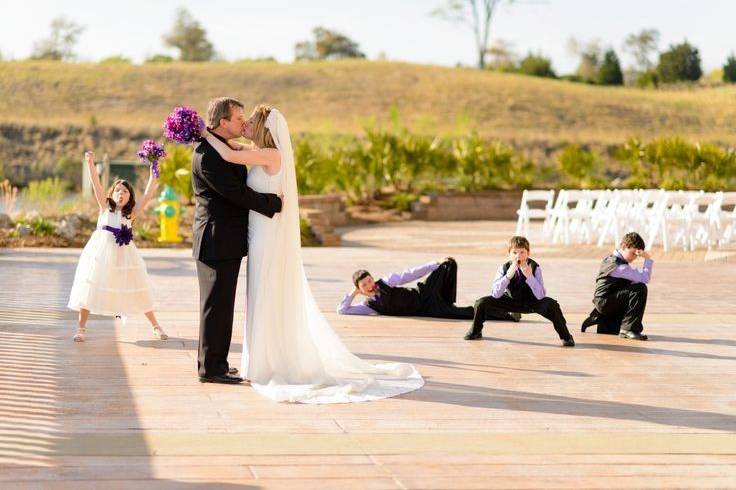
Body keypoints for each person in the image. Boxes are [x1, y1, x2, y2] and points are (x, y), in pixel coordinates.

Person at [203, 103, 423, 403]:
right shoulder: (260, 151)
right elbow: (232, 146)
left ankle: (270, 360)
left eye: (251, 121)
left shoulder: (270, 154)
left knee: (265, 292)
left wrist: (201, 131)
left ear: (265, 129)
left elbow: (229, 153)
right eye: (244, 119)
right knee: (260, 294)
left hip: (266, 236)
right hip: (258, 235)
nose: (246, 125)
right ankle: (262, 359)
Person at [192, 97, 282, 384]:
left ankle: (216, 362)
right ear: (223, 122)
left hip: (226, 240)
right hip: (215, 239)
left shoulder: (223, 147)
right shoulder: (208, 155)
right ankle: (211, 369)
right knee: (215, 305)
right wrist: (272, 203)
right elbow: (235, 193)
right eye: (239, 117)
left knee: (222, 304)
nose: (243, 122)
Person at [68, 151, 167, 342]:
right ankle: (81, 328)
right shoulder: (105, 207)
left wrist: (153, 170)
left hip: (124, 255)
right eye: (118, 190)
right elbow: (96, 184)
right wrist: (90, 162)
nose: (121, 193)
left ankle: (156, 326)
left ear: (130, 197)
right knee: (91, 284)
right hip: (101, 253)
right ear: (112, 194)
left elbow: (148, 194)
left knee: (138, 287)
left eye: (125, 191)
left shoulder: (131, 214)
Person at [465, 236, 575, 347]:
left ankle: (566, 336)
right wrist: (508, 276)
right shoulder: (503, 268)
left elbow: (541, 295)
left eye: (522, 252)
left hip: (531, 302)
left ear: (528, 253)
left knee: (552, 305)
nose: (518, 256)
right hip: (510, 301)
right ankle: (476, 331)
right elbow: (495, 294)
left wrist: (530, 276)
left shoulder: (535, 267)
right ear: (509, 254)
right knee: (481, 303)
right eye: (515, 252)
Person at [338, 258, 517, 322]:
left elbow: (410, 274)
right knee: (462, 313)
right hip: (426, 308)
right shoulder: (369, 306)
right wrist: (353, 293)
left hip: (423, 292)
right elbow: (343, 310)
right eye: (364, 285)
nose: (369, 285)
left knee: (447, 265)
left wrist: (434, 264)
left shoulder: (386, 281)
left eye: (369, 280)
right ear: (360, 289)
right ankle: (507, 314)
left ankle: (447, 297)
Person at [581, 232, 653, 340]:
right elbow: (644, 279)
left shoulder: (611, 259)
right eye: (633, 253)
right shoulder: (619, 267)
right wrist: (648, 259)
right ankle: (628, 330)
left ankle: (601, 319)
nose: (635, 258)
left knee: (612, 330)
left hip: (604, 301)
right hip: (604, 302)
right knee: (640, 289)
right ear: (624, 246)